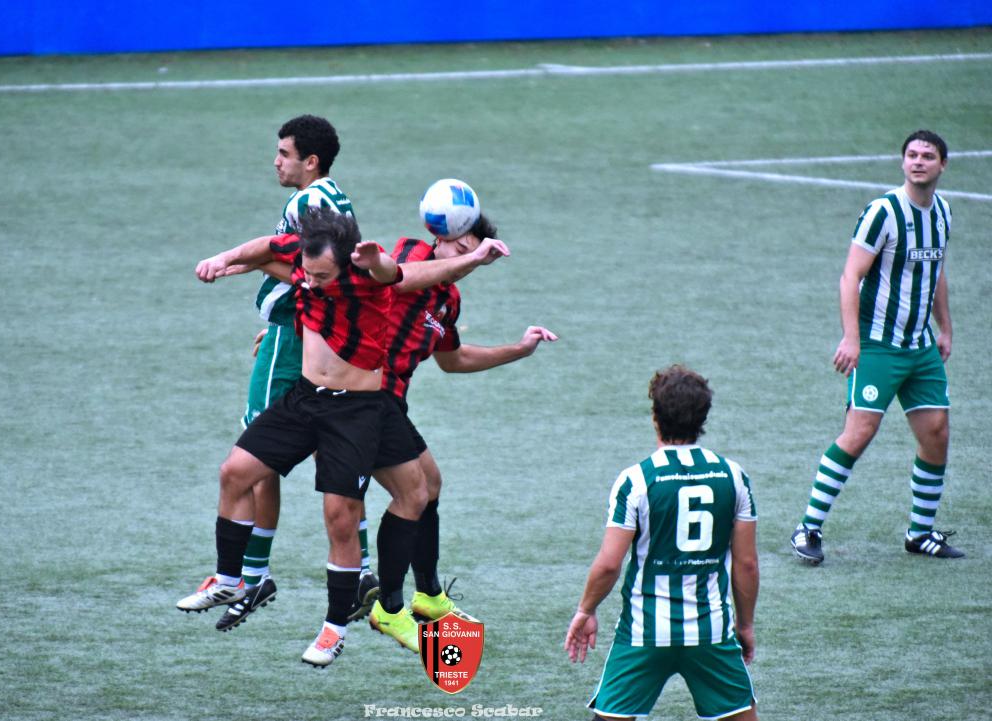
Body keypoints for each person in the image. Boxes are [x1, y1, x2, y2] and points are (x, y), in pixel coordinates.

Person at [180, 209, 512, 666]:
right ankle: (232, 580)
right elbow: (270, 251)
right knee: (235, 472)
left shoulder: (375, 279)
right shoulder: (321, 263)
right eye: (308, 274)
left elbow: (400, 277)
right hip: (308, 399)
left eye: (321, 276)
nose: (312, 283)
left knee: (363, 509)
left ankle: (347, 624)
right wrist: (226, 260)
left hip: (360, 409)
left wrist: (474, 265)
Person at [191, 114, 379, 632]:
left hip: (294, 338)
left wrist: (236, 261)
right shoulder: (336, 197)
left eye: (284, 154)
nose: (275, 162)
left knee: (255, 455)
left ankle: (250, 576)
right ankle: (361, 570)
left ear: (310, 161)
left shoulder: (307, 203)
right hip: (311, 333)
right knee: (331, 454)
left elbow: (306, 271)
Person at [374, 214, 558, 623]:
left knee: (430, 485)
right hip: (364, 394)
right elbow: (397, 281)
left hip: (392, 401)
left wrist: (519, 350)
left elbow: (452, 360)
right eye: (460, 249)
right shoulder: (412, 253)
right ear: (440, 238)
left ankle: (428, 595)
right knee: (411, 495)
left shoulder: (449, 300)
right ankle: (388, 606)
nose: (464, 261)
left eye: (472, 255)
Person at [790, 129, 963, 564]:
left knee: (936, 433)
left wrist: (945, 328)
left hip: (920, 347)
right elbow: (851, 276)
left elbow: (935, 272)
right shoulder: (882, 213)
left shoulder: (943, 212)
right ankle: (808, 527)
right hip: (877, 346)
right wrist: (852, 338)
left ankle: (919, 533)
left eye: (927, 156)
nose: (918, 161)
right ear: (902, 162)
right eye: (912, 155)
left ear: (943, 165)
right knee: (860, 432)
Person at [565, 366, 759, 721]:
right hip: (711, 632)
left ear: (655, 416)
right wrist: (745, 625)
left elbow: (609, 565)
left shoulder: (636, 480)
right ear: (703, 417)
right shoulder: (734, 476)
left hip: (644, 633)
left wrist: (585, 610)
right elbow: (746, 564)